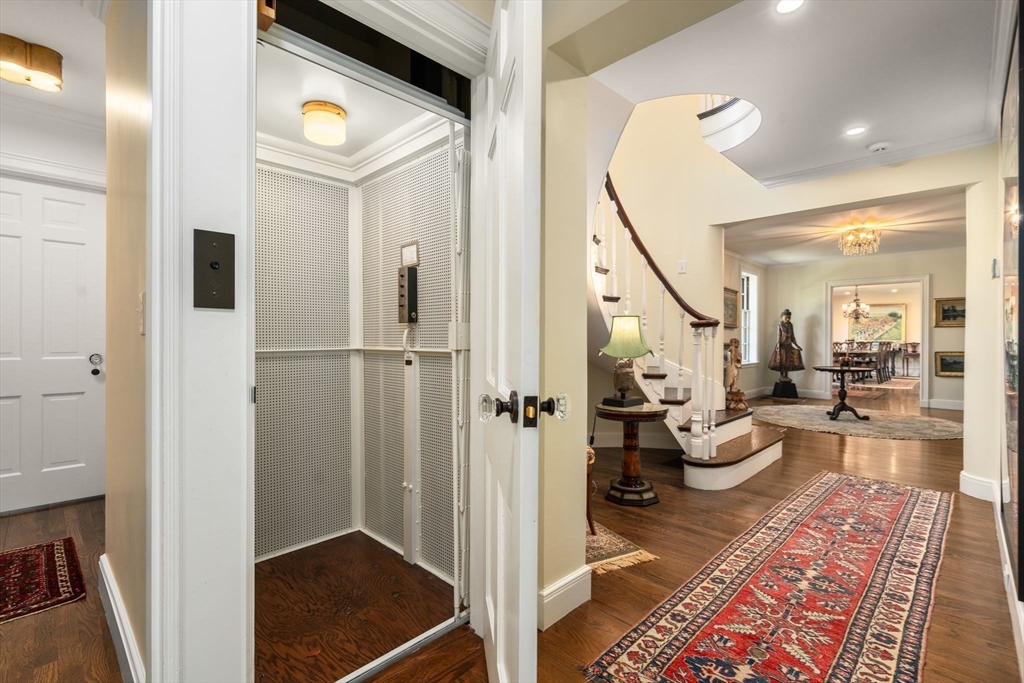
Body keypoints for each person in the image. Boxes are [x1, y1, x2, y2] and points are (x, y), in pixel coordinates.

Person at [768, 309, 804, 382]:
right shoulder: (780, 325)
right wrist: (778, 344)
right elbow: (779, 335)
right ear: (781, 317)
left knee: (788, 361)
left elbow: (792, 337)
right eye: (786, 317)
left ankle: (786, 375)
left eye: (789, 318)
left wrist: (797, 345)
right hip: (781, 345)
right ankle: (781, 375)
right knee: (781, 361)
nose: (787, 319)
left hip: (788, 345)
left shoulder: (790, 325)